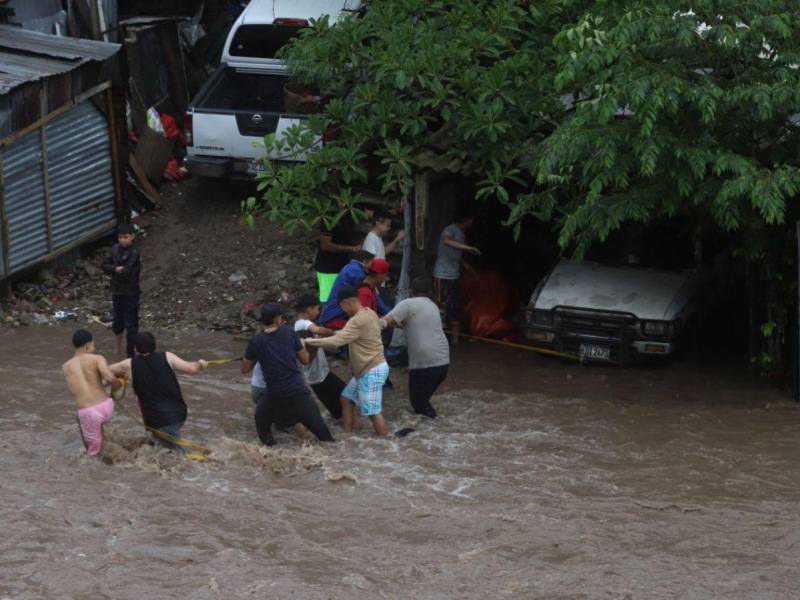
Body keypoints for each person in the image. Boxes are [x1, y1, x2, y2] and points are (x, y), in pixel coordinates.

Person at [241, 303, 335, 446]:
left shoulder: (256, 341)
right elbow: (305, 360)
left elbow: (244, 369)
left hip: (274, 395)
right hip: (298, 391)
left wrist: (253, 356)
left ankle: (272, 453)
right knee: (326, 438)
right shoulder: (289, 333)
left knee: (262, 424)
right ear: (277, 318)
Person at [306, 286, 390, 437]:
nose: (343, 310)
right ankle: (348, 437)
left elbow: (337, 342)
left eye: (342, 307)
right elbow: (347, 334)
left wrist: (310, 341)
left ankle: (387, 443)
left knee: (373, 412)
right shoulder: (369, 312)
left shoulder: (356, 321)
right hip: (369, 369)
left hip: (371, 370)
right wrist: (327, 335)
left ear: (346, 303)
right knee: (346, 398)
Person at [109, 332, 208, 450]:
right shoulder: (168, 356)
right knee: (161, 444)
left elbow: (105, 371)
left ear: (135, 348)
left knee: (177, 454)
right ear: (154, 345)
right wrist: (201, 364)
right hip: (180, 413)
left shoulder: (128, 364)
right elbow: (193, 369)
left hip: (158, 420)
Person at [381, 276, 449, 418]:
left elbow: (383, 322)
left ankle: (434, 431)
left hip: (424, 364)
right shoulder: (432, 306)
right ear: (429, 292)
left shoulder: (408, 304)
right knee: (421, 403)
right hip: (442, 363)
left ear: (411, 292)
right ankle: (434, 431)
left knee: (418, 403)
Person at [63, 330, 122, 457]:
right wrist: (118, 386)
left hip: (88, 412)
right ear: (87, 345)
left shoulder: (66, 366)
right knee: (101, 436)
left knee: (93, 452)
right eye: (93, 345)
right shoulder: (97, 358)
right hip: (106, 407)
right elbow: (109, 377)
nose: (94, 348)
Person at [293, 293, 345, 419]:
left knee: (343, 399)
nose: (318, 312)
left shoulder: (301, 325)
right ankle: (347, 431)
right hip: (316, 376)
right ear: (308, 309)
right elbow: (318, 331)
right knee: (344, 399)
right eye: (317, 309)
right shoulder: (301, 323)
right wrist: (336, 334)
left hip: (319, 373)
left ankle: (345, 429)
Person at [432, 209, 480, 338]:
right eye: (471, 220)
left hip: (454, 275)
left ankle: (455, 344)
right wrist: (469, 248)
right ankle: (438, 340)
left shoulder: (461, 234)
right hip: (442, 274)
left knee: (453, 308)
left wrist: (467, 266)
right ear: (467, 219)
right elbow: (446, 241)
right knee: (440, 308)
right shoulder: (450, 229)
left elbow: (456, 254)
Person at [314, 207, 375, 302]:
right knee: (327, 299)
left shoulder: (350, 213)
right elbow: (325, 245)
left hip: (341, 266)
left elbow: (369, 213)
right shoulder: (329, 219)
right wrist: (352, 248)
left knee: (340, 298)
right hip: (327, 267)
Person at [320, 251, 390, 328]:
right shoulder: (356, 272)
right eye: (372, 263)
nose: (372, 267)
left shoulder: (352, 268)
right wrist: (390, 315)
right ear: (365, 261)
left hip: (333, 314)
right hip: (334, 317)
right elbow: (371, 292)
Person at [102, 224, 141, 358]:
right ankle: (117, 351)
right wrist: (115, 269)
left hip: (131, 292)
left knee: (131, 325)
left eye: (125, 237)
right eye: (120, 237)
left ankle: (131, 354)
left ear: (132, 237)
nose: (122, 240)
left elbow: (128, 270)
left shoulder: (135, 251)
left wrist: (116, 269)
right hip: (117, 291)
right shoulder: (114, 249)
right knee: (118, 322)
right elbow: (104, 265)